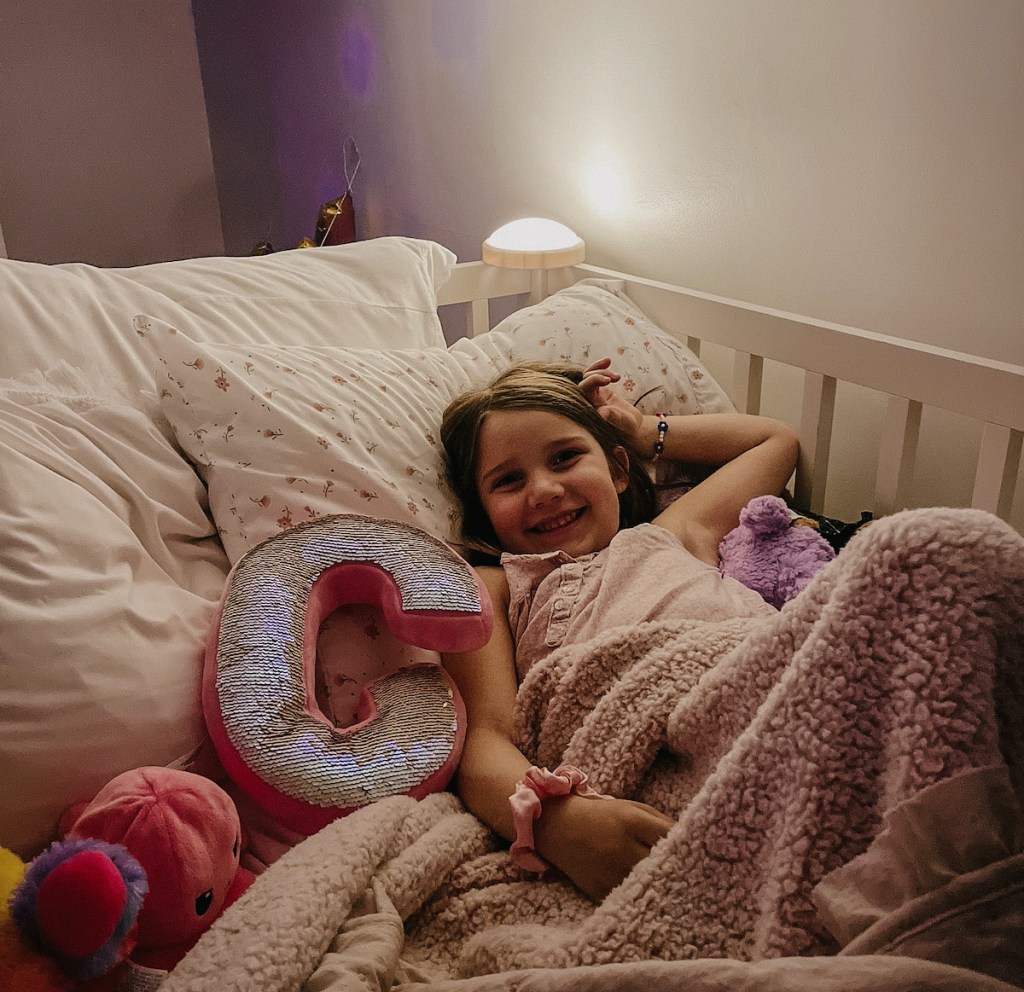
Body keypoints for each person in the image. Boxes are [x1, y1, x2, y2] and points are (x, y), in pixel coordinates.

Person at [439, 359, 799, 902]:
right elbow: (486, 740)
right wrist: (557, 822)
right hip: (647, 748)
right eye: (508, 481)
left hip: (771, 680)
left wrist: (644, 430)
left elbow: (776, 442)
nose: (543, 489)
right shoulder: (496, 586)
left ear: (619, 471)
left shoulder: (673, 532)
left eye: (565, 457)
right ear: (484, 513)